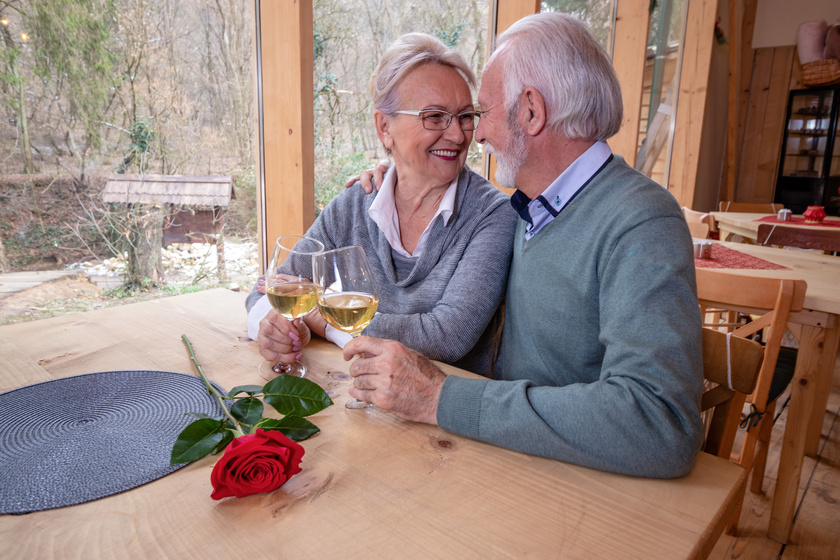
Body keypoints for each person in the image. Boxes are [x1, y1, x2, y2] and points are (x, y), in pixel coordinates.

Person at [343, 13, 704, 479]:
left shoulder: (640, 220)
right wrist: (400, 170)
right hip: (500, 457)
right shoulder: (531, 208)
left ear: (531, 111)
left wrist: (442, 399)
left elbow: (661, 423)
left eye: (481, 113)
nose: (476, 135)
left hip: (575, 487)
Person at [246, 33, 517, 375]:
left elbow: (448, 336)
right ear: (384, 127)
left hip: (442, 418)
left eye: (465, 116)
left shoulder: (493, 215)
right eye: (434, 116)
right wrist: (272, 328)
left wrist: (325, 320)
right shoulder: (353, 204)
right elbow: (271, 287)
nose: (458, 134)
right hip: (356, 399)